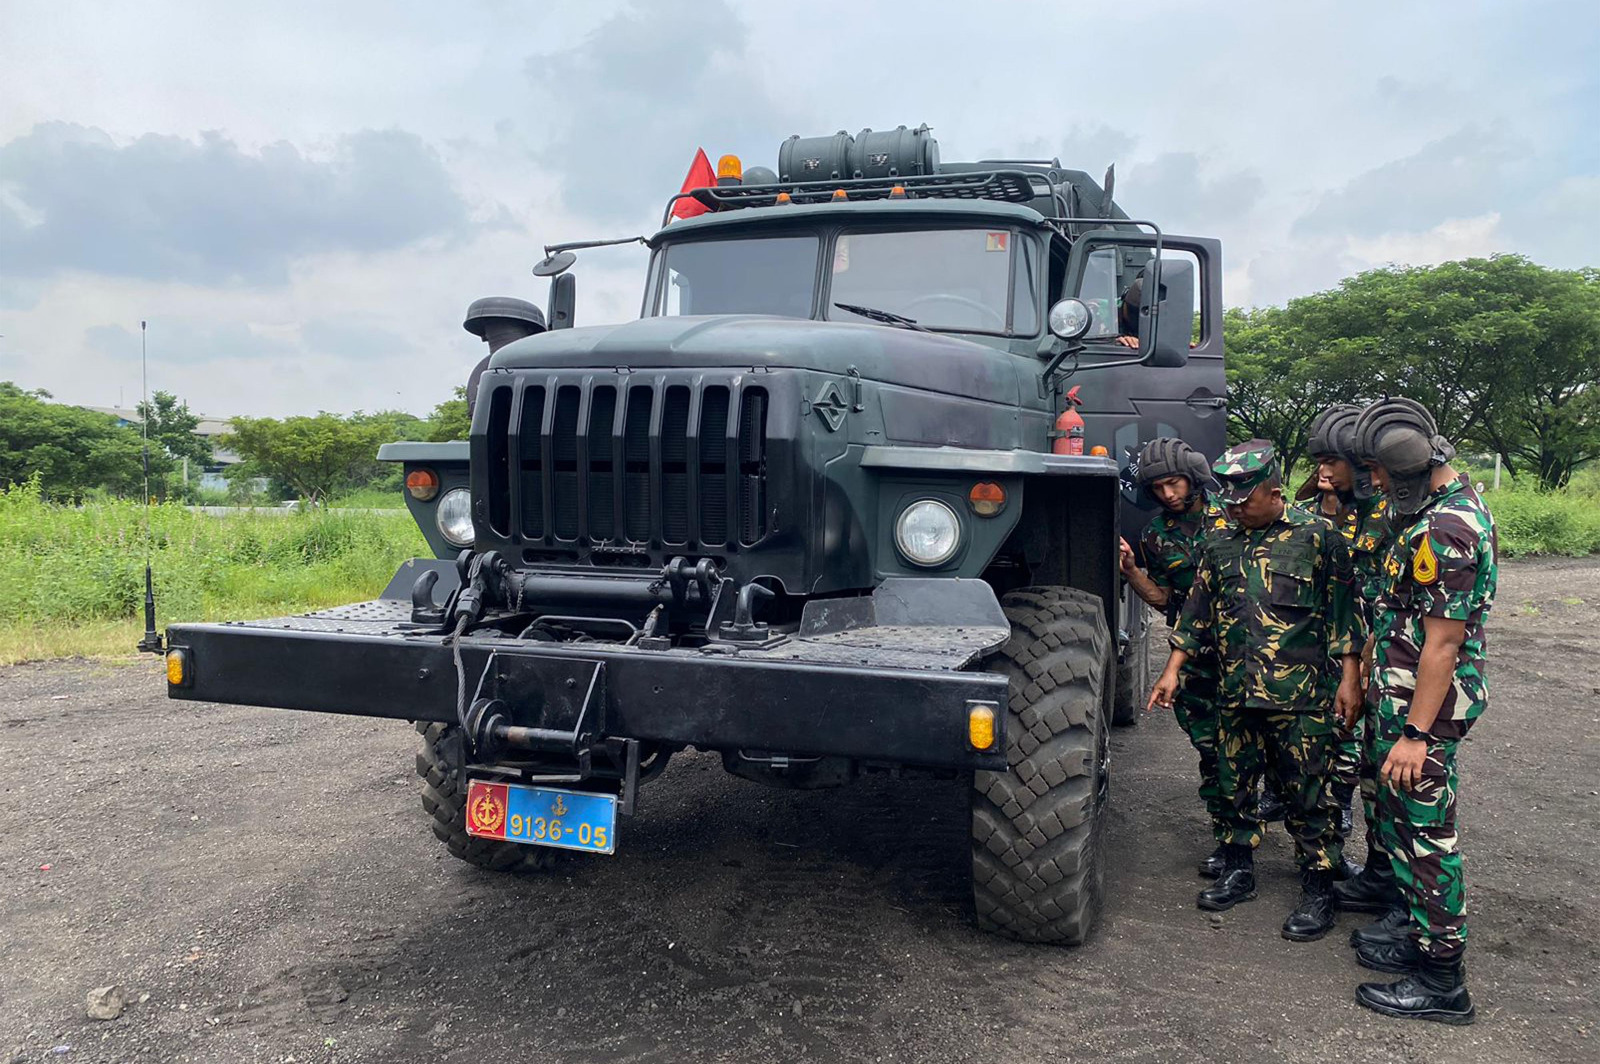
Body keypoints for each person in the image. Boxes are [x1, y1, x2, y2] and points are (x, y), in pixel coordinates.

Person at [1148, 439, 1361, 942]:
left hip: (1300, 697)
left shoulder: (1319, 537)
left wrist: (1350, 679)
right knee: (1234, 786)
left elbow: (1344, 614)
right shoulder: (1219, 542)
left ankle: (1318, 888)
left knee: (1309, 793)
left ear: (1275, 491)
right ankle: (1238, 869)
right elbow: (1196, 612)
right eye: (1230, 501)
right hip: (1234, 691)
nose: (1236, 509)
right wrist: (1172, 669)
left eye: (1245, 501)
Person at [1343, 397, 1496, 1025]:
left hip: (1422, 711)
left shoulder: (1446, 528)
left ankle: (1442, 981)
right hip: (1405, 697)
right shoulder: (1441, 509)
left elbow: (1443, 643)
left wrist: (1415, 734)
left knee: (1427, 836)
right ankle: (1419, 934)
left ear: (1405, 469)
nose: (1375, 482)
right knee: (1404, 827)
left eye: (1379, 471)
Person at [1118, 437, 1231, 876]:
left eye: (1174, 483)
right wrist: (1131, 571)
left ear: (1192, 477)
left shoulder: (1232, 517)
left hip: (1249, 655)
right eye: (1158, 488)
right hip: (1195, 660)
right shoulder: (1155, 535)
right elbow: (1163, 597)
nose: (1168, 494)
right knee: (1211, 751)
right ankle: (1230, 841)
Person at [1304, 404, 1393, 881]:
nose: (1323, 471)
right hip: (1339, 652)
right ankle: (1337, 861)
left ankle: (1380, 873)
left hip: (1381, 656)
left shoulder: (1391, 512)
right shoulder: (1342, 511)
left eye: (1330, 461)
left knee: (1376, 770)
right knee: (1334, 752)